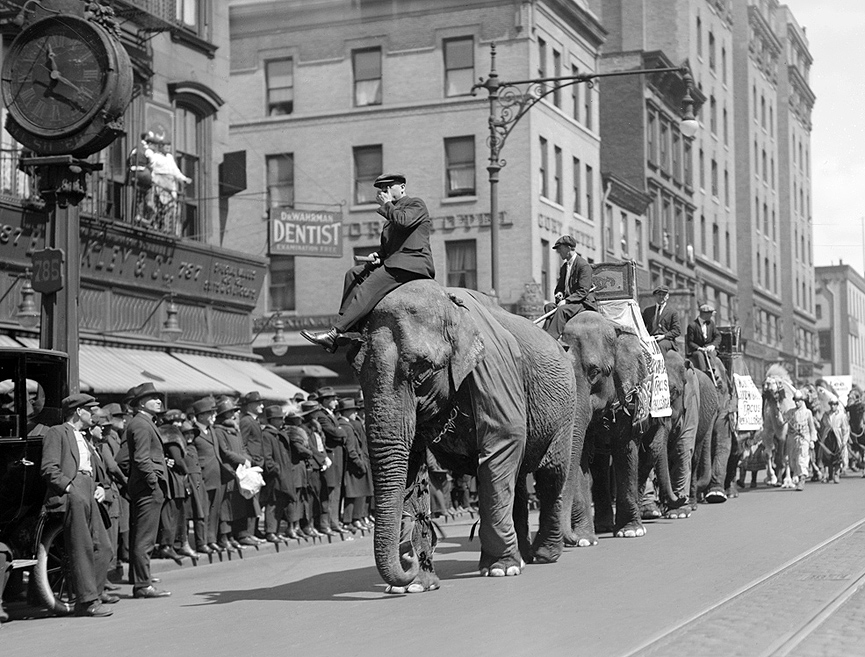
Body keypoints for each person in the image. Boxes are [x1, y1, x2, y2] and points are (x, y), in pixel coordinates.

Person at [301, 173, 435, 352]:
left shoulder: (415, 204)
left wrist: (387, 204)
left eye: (388, 187)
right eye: (382, 189)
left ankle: (334, 334)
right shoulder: (390, 216)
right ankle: (351, 330)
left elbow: (404, 222)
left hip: (411, 263)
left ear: (402, 187)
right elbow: (390, 248)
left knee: (368, 287)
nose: (384, 192)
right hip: (394, 261)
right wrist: (379, 255)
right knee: (353, 274)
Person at [40, 393, 114, 617]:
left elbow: (91, 469)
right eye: (89, 410)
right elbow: (49, 468)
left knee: (104, 548)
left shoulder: (83, 437)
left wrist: (100, 486)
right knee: (82, 547)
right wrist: (71, 489)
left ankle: (94, 594)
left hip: (89, 490)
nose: (94, 415)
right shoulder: (57, 432)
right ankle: (87, 601)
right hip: (72, 492)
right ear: (78, 412)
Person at [125, 382, 171, 598]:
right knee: (145, 538)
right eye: (154, 398)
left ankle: (140, 579)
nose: (159, 401)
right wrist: (153, 482)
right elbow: (141, 458)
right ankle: (143, 585)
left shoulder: (143, 422)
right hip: (147, 488)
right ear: (142, 403)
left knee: (141, 535)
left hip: (145, 486)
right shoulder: (142, 424)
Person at [542, 235, 598, 340]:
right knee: (549, 306)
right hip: (570, 303)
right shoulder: (564, 267)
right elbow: (560, 287)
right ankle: (544, 336)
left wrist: (567, 301)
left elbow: (583, 291)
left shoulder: (583, 266)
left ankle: (551, 339)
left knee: (562, 310)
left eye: (560, 248)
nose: (558, 252)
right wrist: (560, 294)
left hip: (583, 303)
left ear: (568, 248)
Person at [190, 397, 227, 553]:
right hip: (202, 477)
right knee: (202, 512)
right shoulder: (193, 432)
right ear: (201, 416)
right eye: (210, 413)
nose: (213, 416)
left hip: (215, 476)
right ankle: (201, 542)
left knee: (214, 511)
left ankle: (211, 540)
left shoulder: (212, 430)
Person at [315, 387, 349, 536]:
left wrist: (340, 431)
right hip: (331, 456)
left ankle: (334, 522)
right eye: (333, 399)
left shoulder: (330, 415)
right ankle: (326, 523)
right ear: (326, 400)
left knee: (336, 490)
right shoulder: (322, 416)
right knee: (329, 491)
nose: (335, 402)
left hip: (337, 456)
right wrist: (342, 431)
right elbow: (335, 432)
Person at [260, 405, 294, 542]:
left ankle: (276, 530)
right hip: (274, 476)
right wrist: (276, 469)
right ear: (272, 420)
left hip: (283, 474)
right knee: (272, 503)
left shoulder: (278, 434)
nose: (282, 421)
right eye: (279, 419)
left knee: (280, 502)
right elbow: (267, 457)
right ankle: (270, 531)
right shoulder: (267, 435)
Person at [336, 398, 370, 531]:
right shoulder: (348, 427)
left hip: (354, 464)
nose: (355, 413)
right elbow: (351, 449)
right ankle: (350, 520)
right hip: (354, 466)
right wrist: (360, 464)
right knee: (353, 494)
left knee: (356, 493)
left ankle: (353, 519)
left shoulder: (348, 425)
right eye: (352, 410)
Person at [149, 137, 192, 235]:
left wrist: (184, 179)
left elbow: (176, 171)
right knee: (159, 205)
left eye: (169, 145)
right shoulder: (155, 157)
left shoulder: (170, 157)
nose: (168, 147)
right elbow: (152, 169)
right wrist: (153, 181)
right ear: (161, 146)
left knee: (171, 206)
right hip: (160, 182)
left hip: (170, 183)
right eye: (166, 145)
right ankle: (156, 225)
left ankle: (168, 228)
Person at [238, 391, 265, 540]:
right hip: (252, 465)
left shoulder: (253, 421)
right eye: (258, 403)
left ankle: (253, 530)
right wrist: (250, 460)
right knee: (251, 499)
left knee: (256, 498)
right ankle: (249, 532)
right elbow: (243, 443)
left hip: (257, 464)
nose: (262, 406)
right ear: (250, 405)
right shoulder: (247, 421)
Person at [784, 389, 817, 491]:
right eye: (796, 400)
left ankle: (802, 479)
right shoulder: (790, 412)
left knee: (801, 459)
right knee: (793, 460)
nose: (797, 402)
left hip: (804, 438)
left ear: (803, 401)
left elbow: (812, 427)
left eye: (799, 400)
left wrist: (812, 440)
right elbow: (784, 423)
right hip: (792, 438)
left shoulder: (808, 413)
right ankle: (798, 477)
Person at [642, 285, 681, 353]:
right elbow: (642, 327)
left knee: (660, 346)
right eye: (659, 294)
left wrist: (663, 336)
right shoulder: (647, 311)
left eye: (664, 295)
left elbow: (677, 331)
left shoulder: (672, 312)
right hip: (650, 338)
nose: (661, 297)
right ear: (655, 296)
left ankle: (661, 364)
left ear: (667, 296)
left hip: (666, 340)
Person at [127, 132, 155, 226]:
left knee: (138, 194)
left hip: (133, 173)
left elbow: (129, 160)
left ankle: (138, 215)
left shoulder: (135, 148)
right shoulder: (147, 150)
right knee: (148, 189)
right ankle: (149, 206)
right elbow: (152, 162)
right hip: (143, 173)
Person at [686, 303, 722, 374]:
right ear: (705, 314)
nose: (711, 316)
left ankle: (712, 371)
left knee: (712, 353)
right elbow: (690, 342)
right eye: (710, 314)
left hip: (709, 348)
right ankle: (704, 372)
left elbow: (718, 336)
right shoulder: (692, 325)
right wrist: (699, 348)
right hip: (698, 350)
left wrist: (713, 345)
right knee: (699, 355)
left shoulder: (711, 323)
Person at [820, 398, 850, 484]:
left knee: (837, 456)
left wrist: (844, 440)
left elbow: (845, 429)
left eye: (834, 404)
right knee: (828, 456)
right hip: (828, 437)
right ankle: (830, 475)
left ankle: (836, 474)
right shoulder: (826, 415)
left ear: (837, 405)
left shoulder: (842, 416)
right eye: (831, 404)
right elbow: (822, 426)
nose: (833, 406)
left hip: (837, 438)